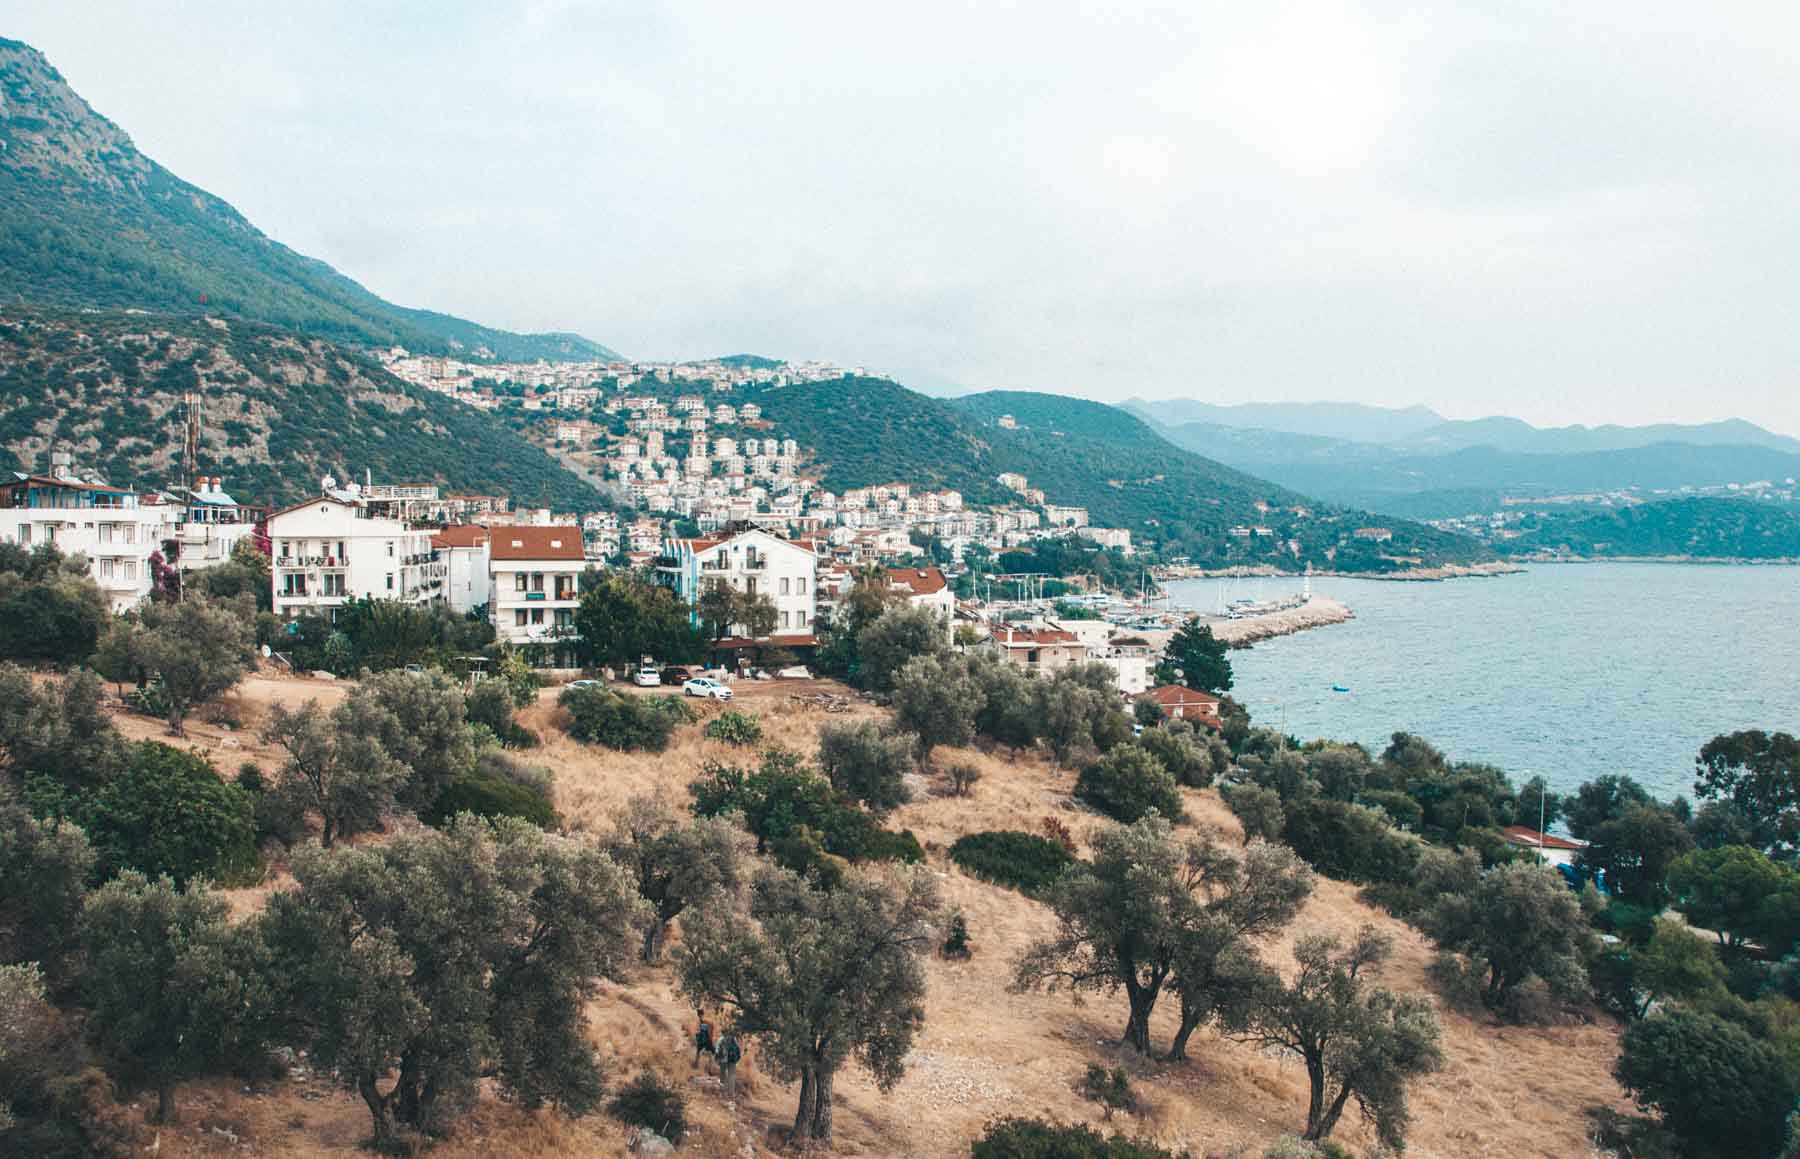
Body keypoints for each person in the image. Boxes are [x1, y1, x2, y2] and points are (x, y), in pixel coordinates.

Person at [717, 1028, 742, 1096]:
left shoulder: (721, 1039)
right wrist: (737, 1059)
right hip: (732, 1060)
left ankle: (722, 1092)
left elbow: (717, 1050)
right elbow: (738, 1050)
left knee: (722, 1076)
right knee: (731, 1076)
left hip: (723, 1060)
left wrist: (717, 1059)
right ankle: (731, 1093)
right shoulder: (733, 1039)